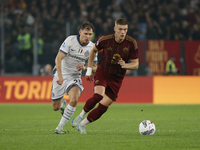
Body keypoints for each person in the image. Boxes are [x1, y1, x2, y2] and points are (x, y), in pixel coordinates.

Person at [71, 18, 139, 134]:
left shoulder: (131, 43)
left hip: (117, 78)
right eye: (120, 29)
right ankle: (81, 115)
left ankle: (82, 125)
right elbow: (93, 51)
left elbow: (136, 65)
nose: (123, 32)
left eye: (125, 29)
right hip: (103, 72)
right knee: (98, 95)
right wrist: (88, 70)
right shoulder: (106, 39)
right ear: (115, 29)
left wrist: (126, 65)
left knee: (104, 106)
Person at [53, 21, 98, 134]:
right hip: (61, 72)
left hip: (74, 76)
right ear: (80, 32)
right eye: (85, 33)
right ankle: (62, 103)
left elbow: (95, 68)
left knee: (74, 100)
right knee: (55, 107)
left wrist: (84, 68)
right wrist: (60, 76)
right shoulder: (70, 40)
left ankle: (60, 127)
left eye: (90, 34)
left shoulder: (92, 47)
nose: (88, 36)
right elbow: (58, 58)